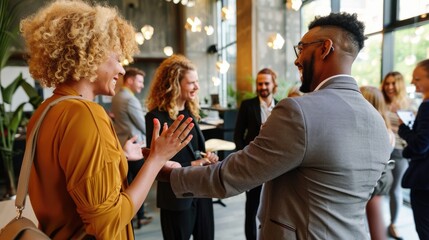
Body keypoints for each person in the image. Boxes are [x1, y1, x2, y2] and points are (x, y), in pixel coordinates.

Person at [158, 12, 392, 239]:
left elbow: (232, 177)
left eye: (302, 48)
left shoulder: (299, 111)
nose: (296, 59)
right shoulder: (377, 123)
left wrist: (169, 174)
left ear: (325, 48)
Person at [20, 1, 194, 239]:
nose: (122, 71)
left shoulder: (45, 112)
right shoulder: (86, 114)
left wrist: (117, 157)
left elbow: (64, 180)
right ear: (92, 54)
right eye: (116, 58)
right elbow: (108, 224)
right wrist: (156, 158)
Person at [145, 54, 219, 240]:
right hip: (175, 197)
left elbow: (196, 150)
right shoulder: (156, 118)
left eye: (197, 81)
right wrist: (195, 163)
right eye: (191, 82)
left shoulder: (190, 111)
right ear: (175, 84)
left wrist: (207, 157)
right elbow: (156, 163)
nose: (197, 87)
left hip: (201, 193)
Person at [233, 68, 278, 240]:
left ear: (273, 84)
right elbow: (238, 135)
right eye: (260, 83)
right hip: (252, 167)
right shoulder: (247, 105)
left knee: (272, 207)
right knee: (251, 208)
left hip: (275, 168)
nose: (263, 86)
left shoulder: (281, 106)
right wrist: (246, 159)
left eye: (266, 83)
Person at [111, 67, 152, 228]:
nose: (142, 85)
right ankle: (139, 216)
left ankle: (133, 215)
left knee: (128, 182)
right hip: (134, 147)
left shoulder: (117, 96)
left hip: (122, 144)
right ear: (130, 80)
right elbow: (144, 126)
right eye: (140, 81)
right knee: (139, 183)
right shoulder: (130, 99)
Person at [380, 71, 414, 240]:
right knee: (377, 187)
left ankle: (392, 223)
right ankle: (373, 220)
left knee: (395, 189)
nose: (389, 87)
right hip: (381, 150)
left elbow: (413, 130)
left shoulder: (409, 105)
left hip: (400, 151)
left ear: (400, 85)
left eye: (393, 83)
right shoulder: (381, 102)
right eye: (387, 83)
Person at [398, 59, 429, 240]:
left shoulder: (426, 106)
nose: (412, 83)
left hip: (424, 181)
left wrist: (404, 129)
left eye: (417, 79)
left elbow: (420, 145)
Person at [360, 86, 395, 240]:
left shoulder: (374, 129)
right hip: (385, 174)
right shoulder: (385, 127)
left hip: (376, 177)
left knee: (374, 223)